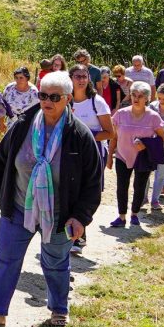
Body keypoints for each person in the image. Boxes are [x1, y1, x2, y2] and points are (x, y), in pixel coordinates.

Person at [0, 71, 102, 327]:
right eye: (43, 95)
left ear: (67, 99)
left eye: (54, 97)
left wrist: (80, 217)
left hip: (59, 214)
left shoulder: (79, 135)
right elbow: (2, 159)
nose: (47, 101)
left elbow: (92, 183)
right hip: (19, 205)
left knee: (55, 263)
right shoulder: (23, 124)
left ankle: (58, 308)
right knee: (6, 258)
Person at [65, 64, 112, 255]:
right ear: (70, 78)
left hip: (93, 154)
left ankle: (79, 236)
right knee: (68, 192)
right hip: (67, 154)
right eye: (77, 76)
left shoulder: (97, 102)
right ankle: (68, 236)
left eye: (84, 76)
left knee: (84, 193)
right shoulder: (64, 100)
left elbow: (109, 132)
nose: (81, 80)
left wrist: (85, 135)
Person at [108, 82, 164, 227]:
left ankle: (134, 214)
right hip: (122, 155)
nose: (136, 98)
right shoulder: (121, 114)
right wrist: (110, 156)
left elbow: (162, 138)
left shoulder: (153, 117)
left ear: (146, 98)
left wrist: (146, 145)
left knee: (139, 187)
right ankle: (121, 216)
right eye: (134, 95)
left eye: (140, 96)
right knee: (122, 187)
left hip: (143, 158)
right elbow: (113, 137)